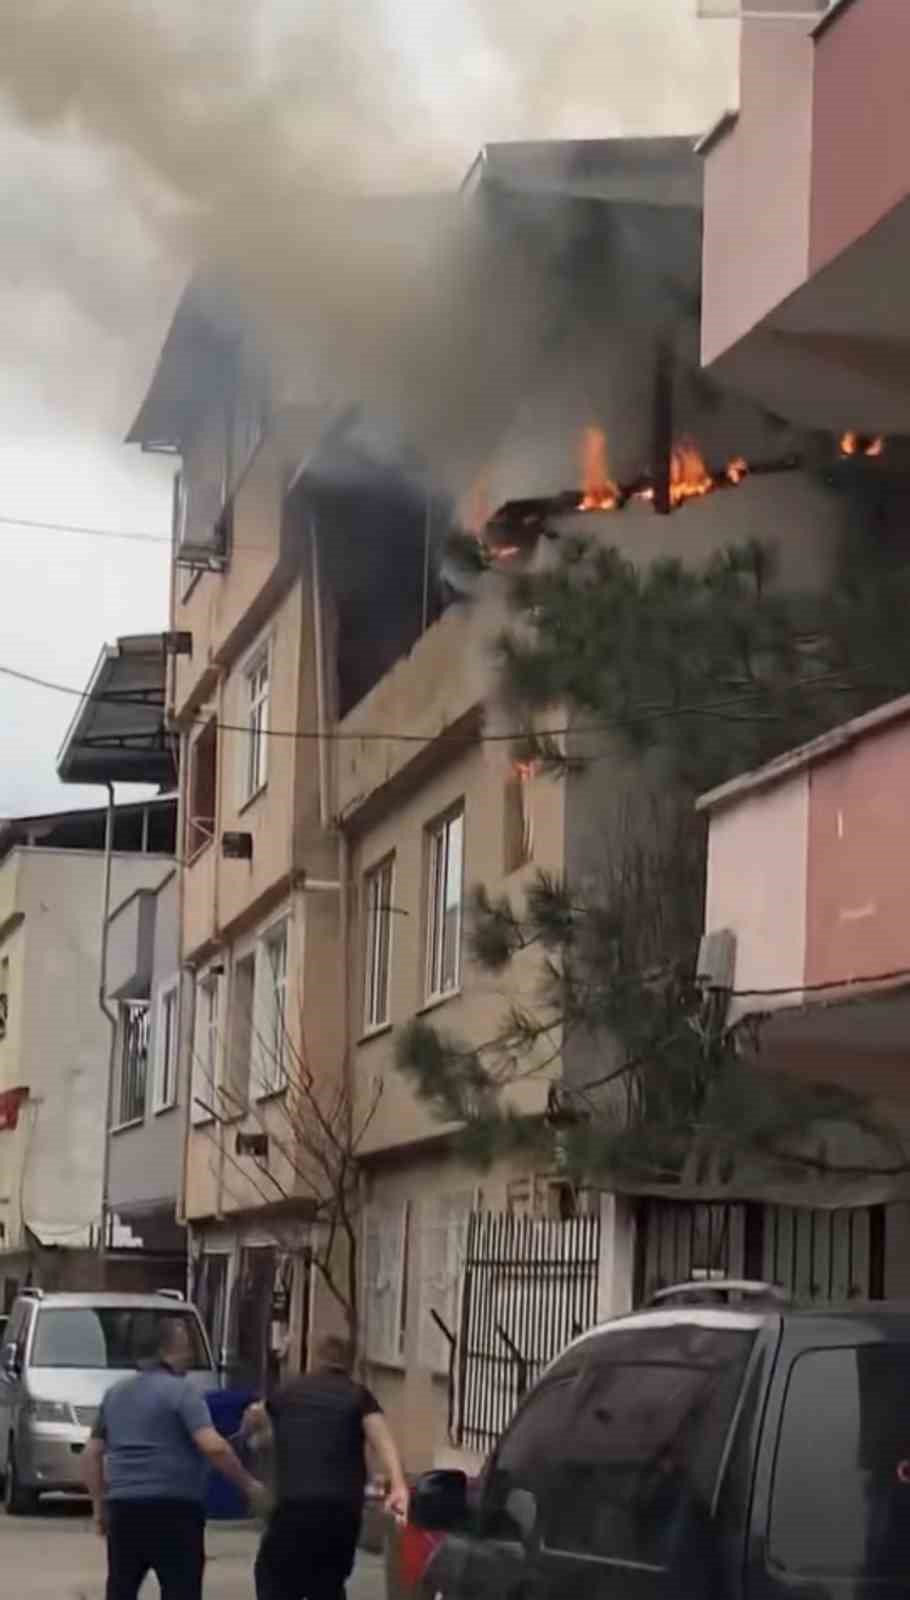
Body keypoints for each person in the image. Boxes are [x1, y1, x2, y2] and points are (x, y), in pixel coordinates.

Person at [82, 1317, 266, 1600]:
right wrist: (249, 1485)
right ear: (166, 1351)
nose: (190, 1355)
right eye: (185, 1347)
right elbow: (213, 1447)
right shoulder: (182, 1392)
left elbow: (92, 1453)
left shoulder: (115, 1394)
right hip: (175, 1511)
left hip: (125, 1509)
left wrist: (99, 1509)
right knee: (181, 1589)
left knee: (121, 1588)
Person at [244, 1333, 409, 1600]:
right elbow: (382, 1438)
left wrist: (255, 1438)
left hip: (293, 1508)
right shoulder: (359, 1396)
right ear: (349, 1364)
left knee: (273, 1578)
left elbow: (255, 1417)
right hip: (341, 1512)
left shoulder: (288, 1392)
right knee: (328, 1584)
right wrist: (398, 1484)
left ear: (315, 1360)